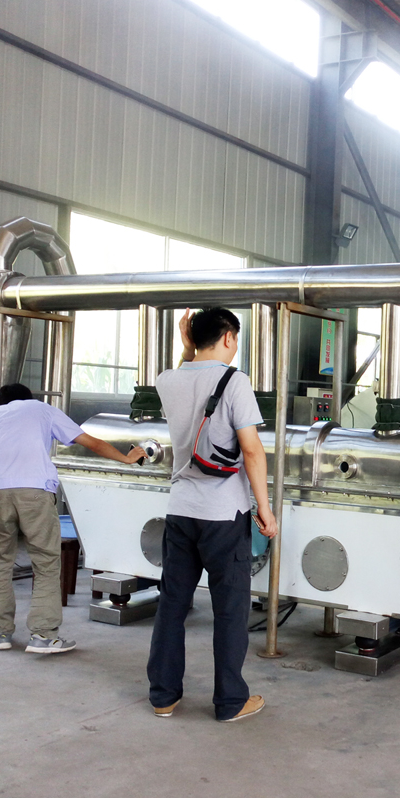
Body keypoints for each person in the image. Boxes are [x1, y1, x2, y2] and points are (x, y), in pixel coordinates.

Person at [147, 307, 278, 723]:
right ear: (228, 337)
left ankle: (163, 696)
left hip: (181, 511)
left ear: (192, 339)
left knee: (172, 605)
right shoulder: (235, 382)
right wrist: (265, 509)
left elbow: (185, 371)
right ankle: (230, 701)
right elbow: (252, 450)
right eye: (235, 338)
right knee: (230, 610)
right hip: (224, 514)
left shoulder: (167, 381)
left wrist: (187, 348)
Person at [0, 383, 146, 653]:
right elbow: (90, 441)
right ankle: (43, 635)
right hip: (36, 493)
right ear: (28, 398)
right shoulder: (42, 410)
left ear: (0, 403)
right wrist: (126, 459)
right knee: (46, 564)